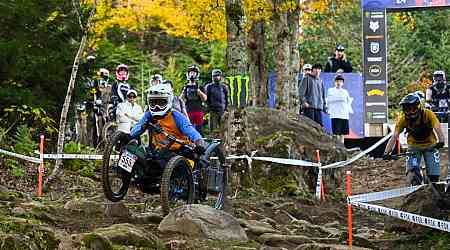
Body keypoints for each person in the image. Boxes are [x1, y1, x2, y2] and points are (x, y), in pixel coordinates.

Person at [383, 93, 445, 186]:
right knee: (412, 174)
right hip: (414, 147)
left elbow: (438, 128)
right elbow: (394, 136)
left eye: (412, 109)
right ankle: (416, 191)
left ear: (418, 107)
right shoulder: (403, 119)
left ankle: (433, 188)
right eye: (407, 110)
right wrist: (386, 152)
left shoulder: (428, 114)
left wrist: (441, 141)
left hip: (430, 145)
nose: (410, 112)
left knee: (434, 176)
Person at [130, 84, 205, 155]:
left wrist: (199, 144)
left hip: (179, 150)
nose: (157, 107)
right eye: (153, 103)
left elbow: (192, 132)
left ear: (169, 101)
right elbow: (133, 132)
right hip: (157, 150)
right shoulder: (148, 115)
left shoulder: (176, 116)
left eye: (160, 102)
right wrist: (143, 126)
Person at [326, 74, 353, 144]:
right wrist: (328, 109)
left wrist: (349, 110)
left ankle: (342, 148)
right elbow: (328, 101)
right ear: (334, 82)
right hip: (335, 115)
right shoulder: (330, 90)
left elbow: (348, 102)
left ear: (343, 83)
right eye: (337, 81)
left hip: (344, 115)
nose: (338, 83)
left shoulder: (345, 92)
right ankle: (338, 148)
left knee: (342, 134)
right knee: (336, 134)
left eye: (340, 81)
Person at [181, 65, 207, 135]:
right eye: (191, 72)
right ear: (188, 74)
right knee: (189, 128)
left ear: (197, 74)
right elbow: (180, 100)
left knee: (199, 128)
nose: (192, 74)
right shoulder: (185, 87)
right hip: (188, 110)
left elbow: (205, 99)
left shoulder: (200, 86)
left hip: (198, 110)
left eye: (194, 72)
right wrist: (183, 92)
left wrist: (199, 92)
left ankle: (201, 143)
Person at [205, 69, 228, 135]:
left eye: (218, 76)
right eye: (215, 76)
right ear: (212, 77)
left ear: (220, 77)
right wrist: (209, 108)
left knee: (223, 131)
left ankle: (223, 144)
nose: (217, 77)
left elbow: (226, 99)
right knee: (213, 131)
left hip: (222, 112)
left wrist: (226, 110)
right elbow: (206, 99)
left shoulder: (223, 87)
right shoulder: (209, 87)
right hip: (213, 112)